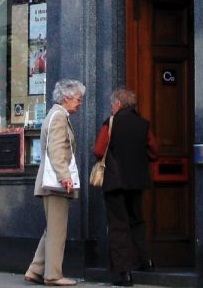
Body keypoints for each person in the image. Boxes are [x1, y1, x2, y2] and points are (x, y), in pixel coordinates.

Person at [93, 88, 159, 287]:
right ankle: (145, 261)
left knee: (118, 225)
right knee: (137, 221)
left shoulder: (111, 122)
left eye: (113, 105)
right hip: (137, 181)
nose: (112, 108)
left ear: (118, 104)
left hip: (115, 182)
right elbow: (154, 151)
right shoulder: (143, 124)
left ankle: (123, 273)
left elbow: (98, 150)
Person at [25, 79, 86, 287]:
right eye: (79, 99)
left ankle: (35, 269)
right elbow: (57, 149)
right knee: (57, 230)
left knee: (52, 228)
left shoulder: (55, 115)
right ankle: (53, 275)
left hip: (48, 181)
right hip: (55, 183)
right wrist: (65, 176)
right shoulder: (59, 117)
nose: (80, 103)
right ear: (67, 97)